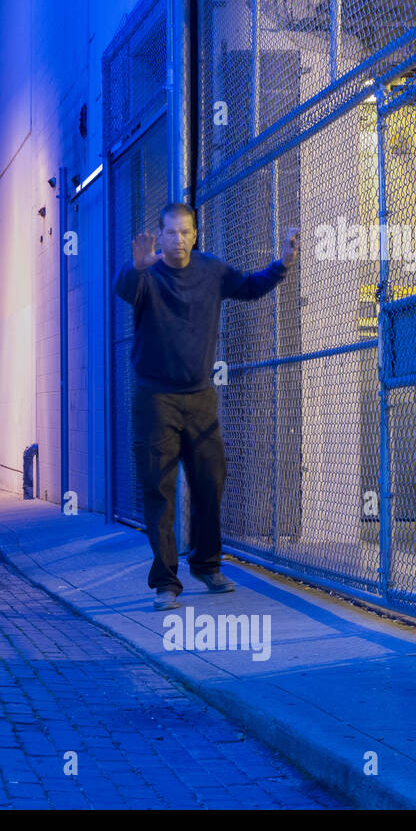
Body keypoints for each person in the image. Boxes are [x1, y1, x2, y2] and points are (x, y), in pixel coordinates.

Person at [113, 202, 300, 610]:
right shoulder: (146, 275)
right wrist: (137, 267)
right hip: (154, 399)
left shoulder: (211, 270)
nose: (177, 240)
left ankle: (206, 564)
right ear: (159, 236)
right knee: (159, 491)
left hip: (200, 399)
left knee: (210, 482)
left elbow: (249, 287)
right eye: (170, 233)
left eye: (184, 233)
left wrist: (282, 264)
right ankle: (166, 583)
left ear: (195, 235)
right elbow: (123, 288)